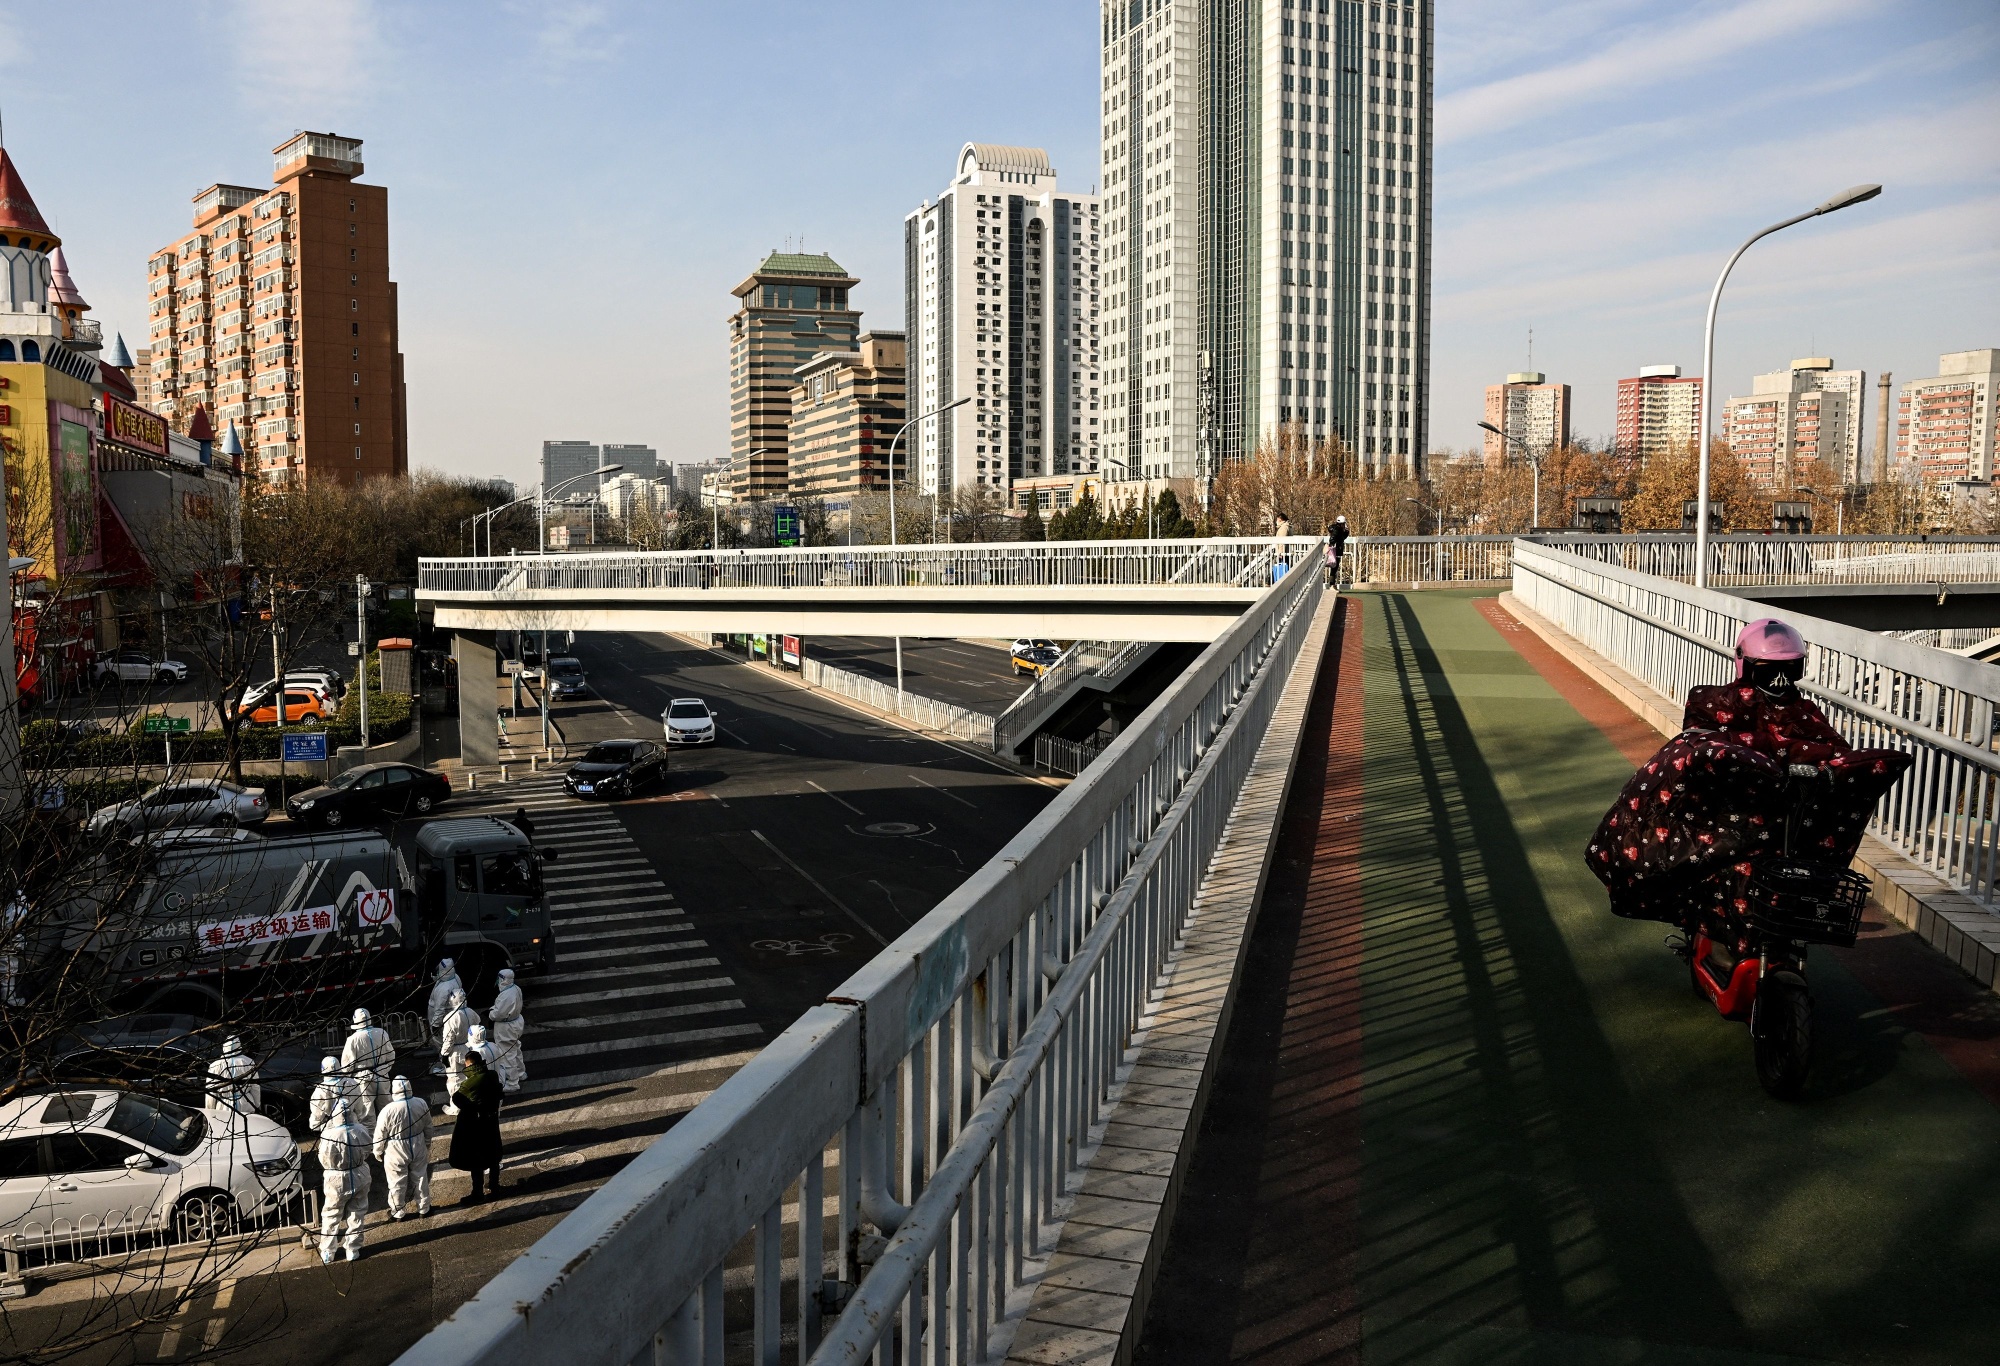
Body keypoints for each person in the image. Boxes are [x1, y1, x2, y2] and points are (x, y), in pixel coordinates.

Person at [317, 1098, 372, 1263]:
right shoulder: (361, 1129)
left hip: (336, 1178)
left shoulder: (328, 1135)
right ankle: (353, 1249)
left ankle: (328, 1251)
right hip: (359, 1174)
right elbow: (368, 1148)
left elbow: (324, 1159)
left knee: (331, 1214)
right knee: (357, 1212)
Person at [372, 1076, 432, 1221]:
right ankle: (424, 1208)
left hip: (395, 1148)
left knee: (396, 1182)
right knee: (421, 1177)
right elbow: (428, 1126)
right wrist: (427, 1142)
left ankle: (398, 1212)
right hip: (417, 1143)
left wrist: (378, 1151)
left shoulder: (388, 1110)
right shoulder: (421, 1103)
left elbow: (380, 1134)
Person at [448, 1050, 504, 1203]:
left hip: (477, 1124)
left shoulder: (469, 1083)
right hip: (492, 1120)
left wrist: (471, 1108)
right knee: (493, 1154)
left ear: (470, 1065)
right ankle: (494, 1186)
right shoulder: (492, 1075)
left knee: (476, 1159)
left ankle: (477, 1193)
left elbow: (457, 1098)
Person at [341, 1007, 396, 1121]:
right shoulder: (381, 1033)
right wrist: (384, 1069)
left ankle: (370, 1133)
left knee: (366, 1112)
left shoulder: (352, 1039)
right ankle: (393, 1130)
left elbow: (347, 1065)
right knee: (388, 1109)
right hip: (382, 1075)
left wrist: (349, 1078)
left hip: (363, 1079)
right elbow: (391, 1055)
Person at [438, 990, 479, 1117]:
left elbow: (448, 1039)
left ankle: (456, 1107)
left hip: (455, 1051)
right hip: (470, 1047)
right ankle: (472, 1103)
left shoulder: (451, 1017)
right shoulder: (471, 1012)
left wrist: (444, 1054)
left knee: (455, 1080)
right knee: (470, 1078)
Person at [488, 968, 527, 1094]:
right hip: (516, 1022)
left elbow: (498, 1014)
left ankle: (512, 1082)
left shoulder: (505, 995)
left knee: (506, 1054)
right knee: (515, 1048)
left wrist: (490, 1014)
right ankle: (520, 1073)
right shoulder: (515, 988)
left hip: (506, 1027)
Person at [205, 1036, 261, 1119]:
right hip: (246, 1104)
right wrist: (257, 1105)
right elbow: (255, 1087)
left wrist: (209, 1112)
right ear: (239, 1046)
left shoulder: (215, 1066)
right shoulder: (249, 1062)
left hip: (224, 1106)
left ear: (224, 1047)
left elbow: (211, 1092)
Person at [309, 1055, 363, 1132]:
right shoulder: (352, 1083)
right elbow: (359, 1108)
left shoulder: (321, 1088)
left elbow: (317, 1112)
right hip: (352, 1124)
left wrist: (315, 1126)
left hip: (331, 1127)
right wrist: (358, 1117)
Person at [1327, 515, 1349, 585]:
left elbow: (1342, 537)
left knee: (1334, 568)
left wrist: (1346, 531)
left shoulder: (1338, 529)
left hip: (1336, 550)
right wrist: (1334, 545)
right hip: (1336, 550)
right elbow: (1333, 539)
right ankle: (1332, 584)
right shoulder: (1337, 529)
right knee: (1334, 568)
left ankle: (1332, 583)